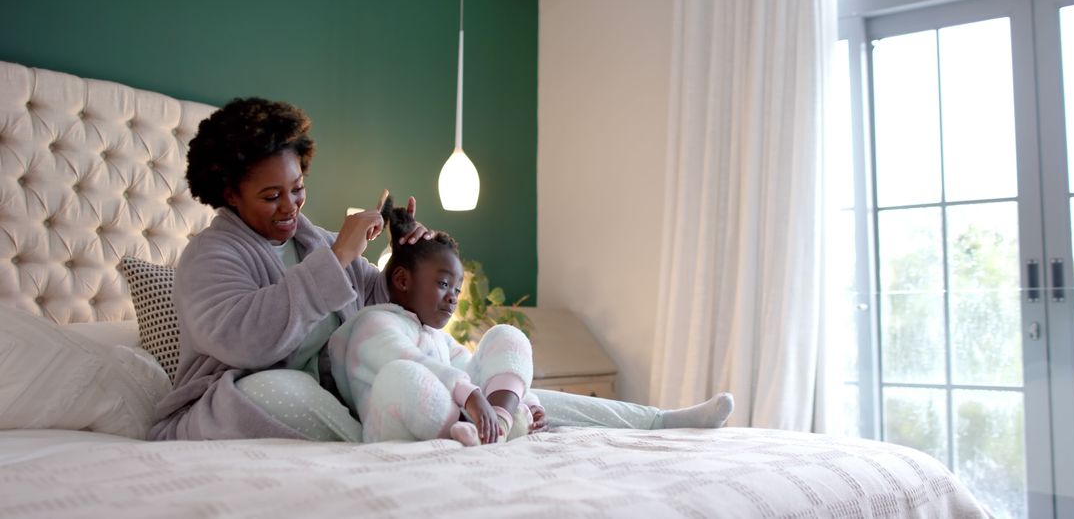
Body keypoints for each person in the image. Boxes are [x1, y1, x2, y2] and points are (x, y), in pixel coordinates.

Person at [150, 97, 733, 442]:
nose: (291, 208)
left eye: (298, 189)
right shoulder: (209, 257)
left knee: (495, 376)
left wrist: (409, 260)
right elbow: (246, 340)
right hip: (249, 395)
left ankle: (659, 422)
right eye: (271, 197)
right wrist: (340, 256)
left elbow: (379, 315)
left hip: (353, 385)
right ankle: (422, 431)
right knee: (277, 387)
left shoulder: (311, 240)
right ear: (228, 191)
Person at [329, 198, 537, 445]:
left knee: (507, 335)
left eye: (457, 290)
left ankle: (499, 424)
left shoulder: (434, 335)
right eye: (443, 284)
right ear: (403, 280)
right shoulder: (373, 324)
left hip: (459, 420)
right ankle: (473, 430)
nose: (453, 297)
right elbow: (412, 361)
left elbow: (471, 369)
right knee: (402, 374)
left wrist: (526, 401)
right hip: (399, 423)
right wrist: (470, 394)